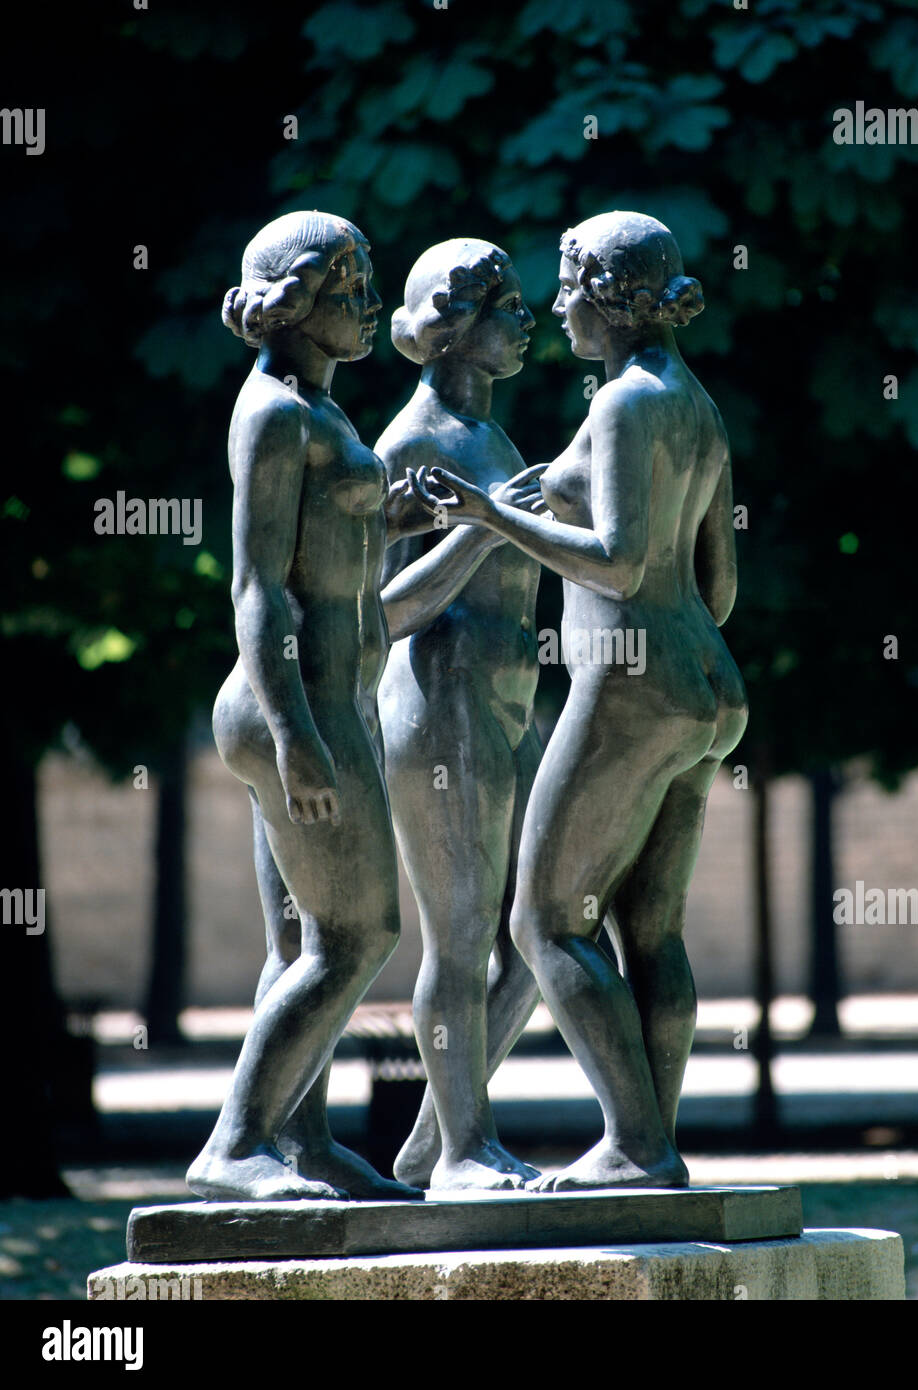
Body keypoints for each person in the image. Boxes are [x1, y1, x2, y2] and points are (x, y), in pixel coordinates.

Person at [416, 212, 748, 1190]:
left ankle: (636, 1147)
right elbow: (716, 584)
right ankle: (654, 1145)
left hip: (633, 690)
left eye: (566, 287)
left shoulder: (622, 407)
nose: (555, 307)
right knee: (649, 927)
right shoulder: (692, 401)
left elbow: (618, 560)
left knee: (545, 921)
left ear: (605, 296)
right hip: (708, 685)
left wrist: (486, 517)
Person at [188, 210, 421, 1201]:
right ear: (293, 304)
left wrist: (419, 511)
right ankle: (235, 1145)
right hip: (297, 711)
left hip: (321, 707)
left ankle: (306, 1144)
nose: (370, 304)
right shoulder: (277, 414)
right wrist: (296, 737)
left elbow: (334, 556)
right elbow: (257, 587)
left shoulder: (314, 410)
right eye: (349, 288)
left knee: (297, 945)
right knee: (359, 934)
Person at [377, 240, 548, 1190]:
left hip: (507, 704)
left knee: (551, 924)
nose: (526, 321)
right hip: (439, 707)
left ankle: (435, 1136)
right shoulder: (408, 444)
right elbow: (385, 612)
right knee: (462, 932)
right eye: (506, 306)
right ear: (455, 323)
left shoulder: (498, 443)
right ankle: (462, 1152)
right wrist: (484, 527)